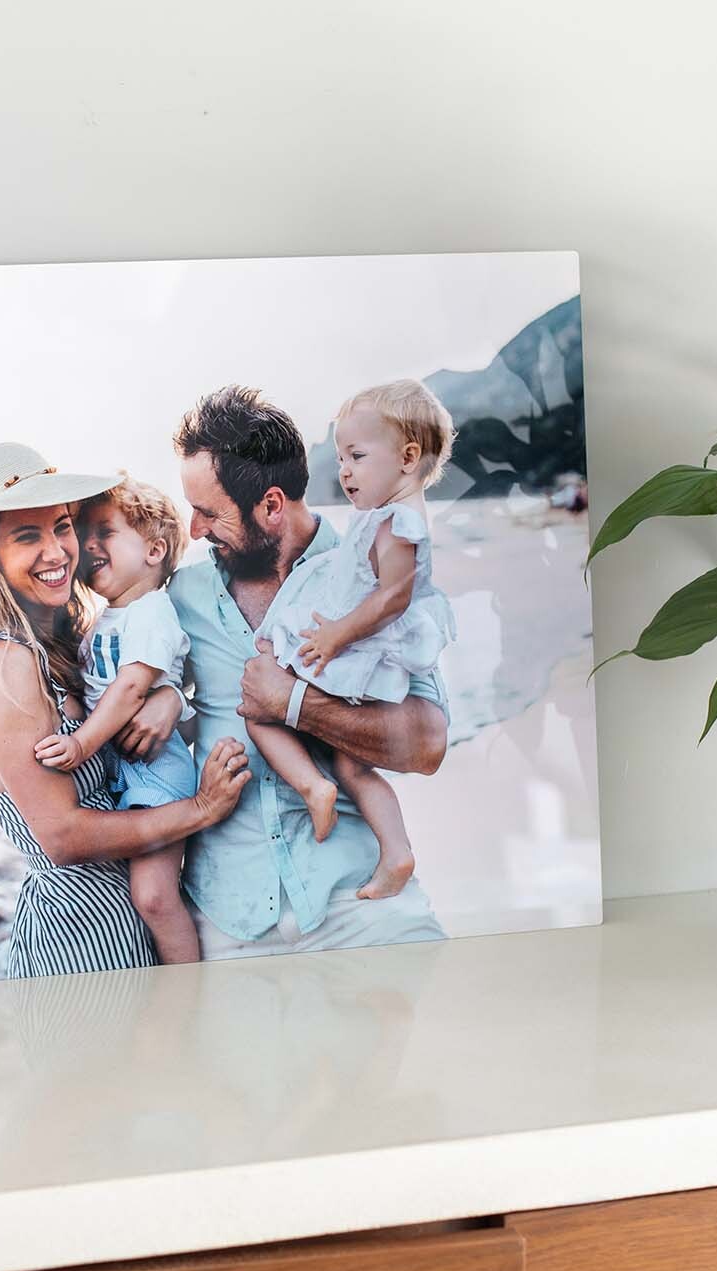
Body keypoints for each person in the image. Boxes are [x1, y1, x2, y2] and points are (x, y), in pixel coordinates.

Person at [0, 442, 250, 980]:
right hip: (82, 943)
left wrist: (168, 698)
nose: (59, 551)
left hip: (129, 921)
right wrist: (201, 809)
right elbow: (63, 838)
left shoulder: (61, 644)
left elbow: (135, 712)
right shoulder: (4, 664)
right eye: (26, 535)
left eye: (62, 526)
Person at [165, 386, 451, 961]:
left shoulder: (371, 575)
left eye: (209, 512)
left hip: (361, 901)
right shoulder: (180, 596)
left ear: (271, 505)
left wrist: (295, 702)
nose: (193, 531)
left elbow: (428, 745)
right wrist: (154, 703)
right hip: (229, 918)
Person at [250, 379, 458, 899]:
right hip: (358, 643)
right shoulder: (385, 516)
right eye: (341, 456)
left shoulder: (401, 522)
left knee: (259, 703)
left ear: (408, 458)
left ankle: (319, 792)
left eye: (357, 455)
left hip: (360, 647)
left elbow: (393, 597)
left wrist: (338, 636)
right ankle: (395, 850)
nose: (344, 470)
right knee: (349, 760)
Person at [33, 475, 201, 964]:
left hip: (156, 773)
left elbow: (130, 688)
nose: (87, 546)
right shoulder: (106, 619)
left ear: (153, 551)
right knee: (142, 894)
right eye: (84, 535)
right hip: (124, 775)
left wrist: (82, 744)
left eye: (104, 532)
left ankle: (190, 993)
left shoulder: (152, 612)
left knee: (152, 897)